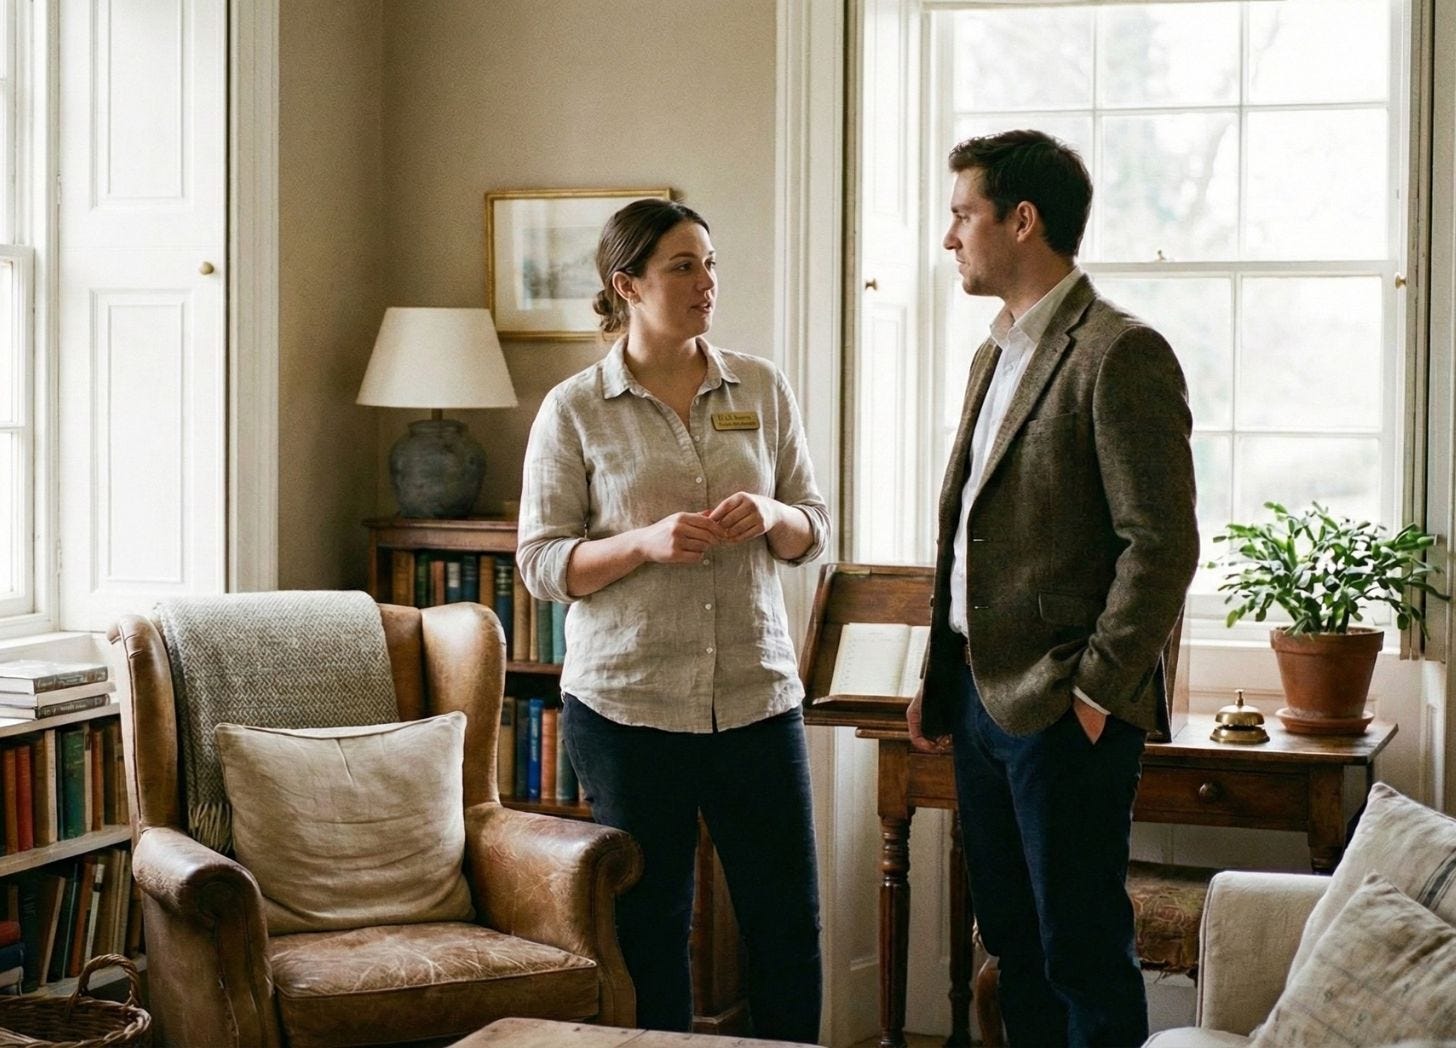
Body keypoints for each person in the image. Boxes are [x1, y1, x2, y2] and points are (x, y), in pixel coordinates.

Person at [907, 130, 1199, 1048]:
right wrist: (938, 672)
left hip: (1066, 708)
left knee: (1082, 953)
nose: (949, 237)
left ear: (1022, 220)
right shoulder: (993, 353)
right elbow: (973, 530)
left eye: (963, 215)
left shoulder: (1120, 352)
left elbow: (1162, 546)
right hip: (977, 700)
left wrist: (1093, 694)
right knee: (1015, 950)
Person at [516, 197, 827, 1041]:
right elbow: (540, 563)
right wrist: (641, 544)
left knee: (786, 927)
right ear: (628, 285)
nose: (706, 283)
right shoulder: (573, 408)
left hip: (756, 698)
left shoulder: (761, 387)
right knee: (651, 932)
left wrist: (773, 514)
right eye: (684, 266)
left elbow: (814, 530)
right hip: (628, 708)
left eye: (711, 264)